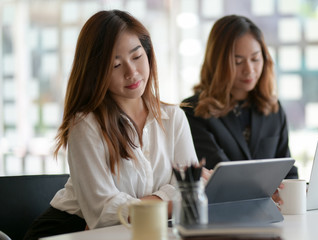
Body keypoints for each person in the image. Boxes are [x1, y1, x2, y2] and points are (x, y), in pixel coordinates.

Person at [24, 10, 200, 239]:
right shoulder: (85, 125)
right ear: (96, 72)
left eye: (137, 57)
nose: (131, 72)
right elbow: (104, 213)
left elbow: (191, 194)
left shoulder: (173, 117)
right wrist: (169, 197)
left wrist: (148, 205)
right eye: (116, 65)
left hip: (142, 231)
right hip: (72, 230)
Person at [181, 15, 298, 179]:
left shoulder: (273, 108)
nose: (249, 70)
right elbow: (224, 177)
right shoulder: (192, 112)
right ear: (217, 63)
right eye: (237, 61)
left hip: (273, 204)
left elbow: (288, 172)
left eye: (255, 59)